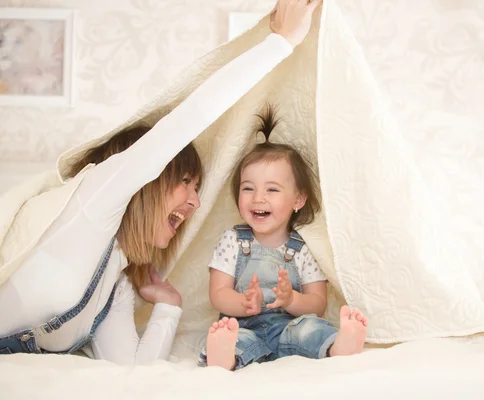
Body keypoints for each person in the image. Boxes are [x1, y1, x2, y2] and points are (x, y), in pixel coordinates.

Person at [0, 0, 323, 364]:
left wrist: (169, 305)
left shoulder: (116, 286)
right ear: (148, 180)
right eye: (185, 181)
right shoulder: (92, 203)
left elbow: (134, 371)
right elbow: (189, 118)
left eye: (197, 188)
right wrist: (281, 43)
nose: (195, 202)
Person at [198, 107, 368, 370]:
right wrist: (243, 303)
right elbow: (218, 294)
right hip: (244, 326)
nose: (258, 198)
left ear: (298, 199)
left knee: (309, 329)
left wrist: (292, 301)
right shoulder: (232, 240)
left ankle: (338, 346)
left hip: (288, 327)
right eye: (248, 188)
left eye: (272, 189)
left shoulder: (303, 249)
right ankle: (225, 357)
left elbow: (318, 303)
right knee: (235, 337)